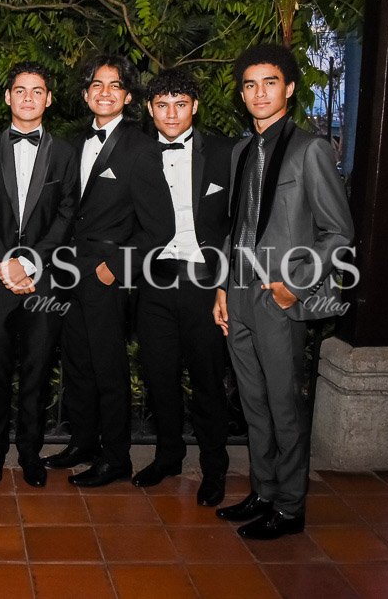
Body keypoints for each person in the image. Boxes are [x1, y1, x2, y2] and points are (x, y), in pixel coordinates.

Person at [213, 44, 353, 539]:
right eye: (250, 84)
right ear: (242, 93)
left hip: (278, 297)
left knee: (284, 406)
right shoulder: (240, 151)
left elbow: (338, 232)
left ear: (289, 88)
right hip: (239, 293)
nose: (259, 92)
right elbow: (236, 227)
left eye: (269, 82)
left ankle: (290, 507)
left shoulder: (310, 149)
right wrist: (223, 288)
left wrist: (294, 286)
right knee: (252, 402)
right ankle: (264, 490)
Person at [43, 54, 175, 487]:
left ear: (129, 96)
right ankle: (83, 442)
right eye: (96, 85)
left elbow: (160, 227)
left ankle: (116, 457)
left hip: (105, 275)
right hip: (68, 271)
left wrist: (114, 269)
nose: (104, 92)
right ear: (85, 94)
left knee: (109, 368)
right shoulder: (72, 144)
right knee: (77, 363)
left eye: (115, 85)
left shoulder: (142, 148)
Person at [0, 61, 78, 488]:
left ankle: (30, 452)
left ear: (48, 99)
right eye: (20, 90)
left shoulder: (66, 153)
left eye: (37, 91)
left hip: (44, 278)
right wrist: (6, 262)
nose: (28, 97)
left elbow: (67, 213)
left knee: (37, 370)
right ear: (7, 97)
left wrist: (31, 261)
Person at [132, 67, 233, 506]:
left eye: (180, 104)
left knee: (208, 380)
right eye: (162, 105)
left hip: (205, 284)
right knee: (159, 376)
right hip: (154, 283)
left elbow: (237, 224)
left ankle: (214, 467)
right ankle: (168, 455)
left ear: (195, 107)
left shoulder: (225, 153)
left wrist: (226, 283)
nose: (171, 113)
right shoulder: (136, 156)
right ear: (150, 109)